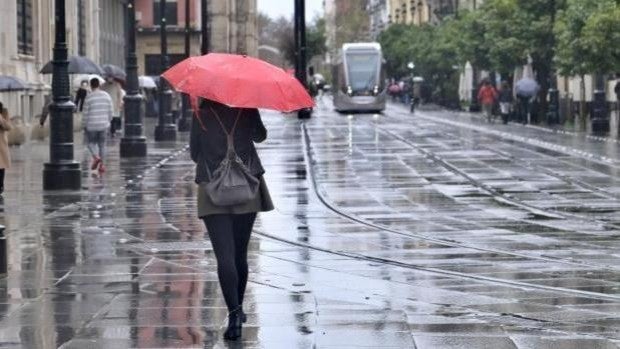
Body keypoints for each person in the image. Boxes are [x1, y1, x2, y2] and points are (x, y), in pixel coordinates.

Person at [190, 98, 274, 341]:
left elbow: (195, 153)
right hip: (247, 185)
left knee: (224, 256)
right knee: (240, 254)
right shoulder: (247, 106)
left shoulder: (201, 114)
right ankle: (239, 309)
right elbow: (260, 136)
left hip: (212, 188)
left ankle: (234, 313)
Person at [83, 77, 113, 174]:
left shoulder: (89, 97)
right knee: (102, 145)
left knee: (90, 143)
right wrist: (108, 121)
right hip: (104, 125)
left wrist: (84, 125)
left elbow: (85, 113)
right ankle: (102, 166)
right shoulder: (107, 96)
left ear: (91, 86)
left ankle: (96, 157)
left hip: (91, 125)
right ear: (99, 85)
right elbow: (110, 112)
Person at [0, 103, 11, 195]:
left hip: (1, 144)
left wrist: (0, 118)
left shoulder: (4, 111)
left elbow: (8, 127)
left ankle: (0, 186)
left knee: (1, 166)